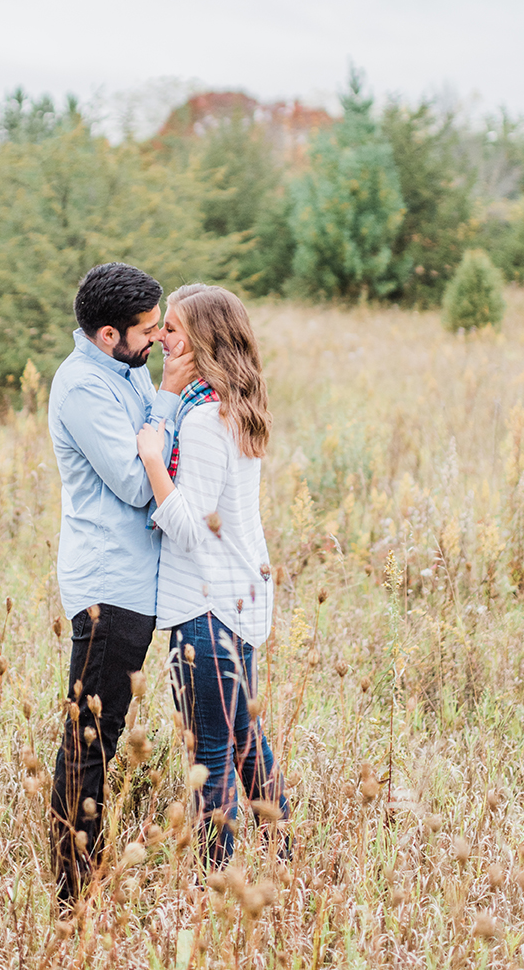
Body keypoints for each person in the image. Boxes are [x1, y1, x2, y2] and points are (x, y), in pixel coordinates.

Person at [48, 262, 195, 901]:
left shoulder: (120, 373)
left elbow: (154, 453)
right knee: (91, 735)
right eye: (146, 328)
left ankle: (82, 867)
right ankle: (72, 886)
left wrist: (157, 420)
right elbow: (139, 482)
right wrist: (166, 399)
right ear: (109, 335)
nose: (158, 336)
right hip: (109, 585)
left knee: (100, 731)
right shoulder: (84, 387)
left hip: (134, 582)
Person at [136, 283, 289, 866]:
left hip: (206, 611)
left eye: (171, 329)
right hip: (236, 601)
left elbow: (190, 528)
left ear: (201, 341)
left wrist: (153, 458)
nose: (161, 337)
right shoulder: (235, 407)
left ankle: (215, 880)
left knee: (213, 754)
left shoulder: (203, 423)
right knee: (244, 740)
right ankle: (282, 853)